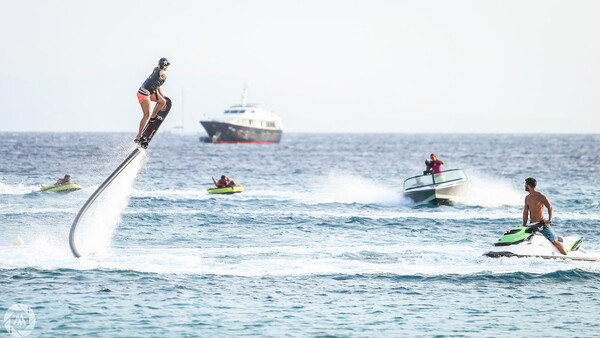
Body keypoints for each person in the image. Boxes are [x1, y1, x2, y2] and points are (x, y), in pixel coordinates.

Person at [522, 177, 567, 255]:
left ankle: (565, 255)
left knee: (553, 240)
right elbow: (525, 212)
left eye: (525, 184)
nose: (525, 186)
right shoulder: (527, 198)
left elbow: (550, 207)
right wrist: (524, 225)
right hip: (532, 225)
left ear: (528, 185)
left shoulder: (540, 196)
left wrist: (550, 219)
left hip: (542, 224)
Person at [135, 58, 170, 143]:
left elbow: (158, 86)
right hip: (143, 94)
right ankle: (139, 136)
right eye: (167, 66)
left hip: (149, 93)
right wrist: (162, 72)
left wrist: (162, 96)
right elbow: (161, 72)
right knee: (146, 116)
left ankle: (154, 116)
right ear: (165, 66)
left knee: (163, 102)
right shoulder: (160, 72)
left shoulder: (158, 73)